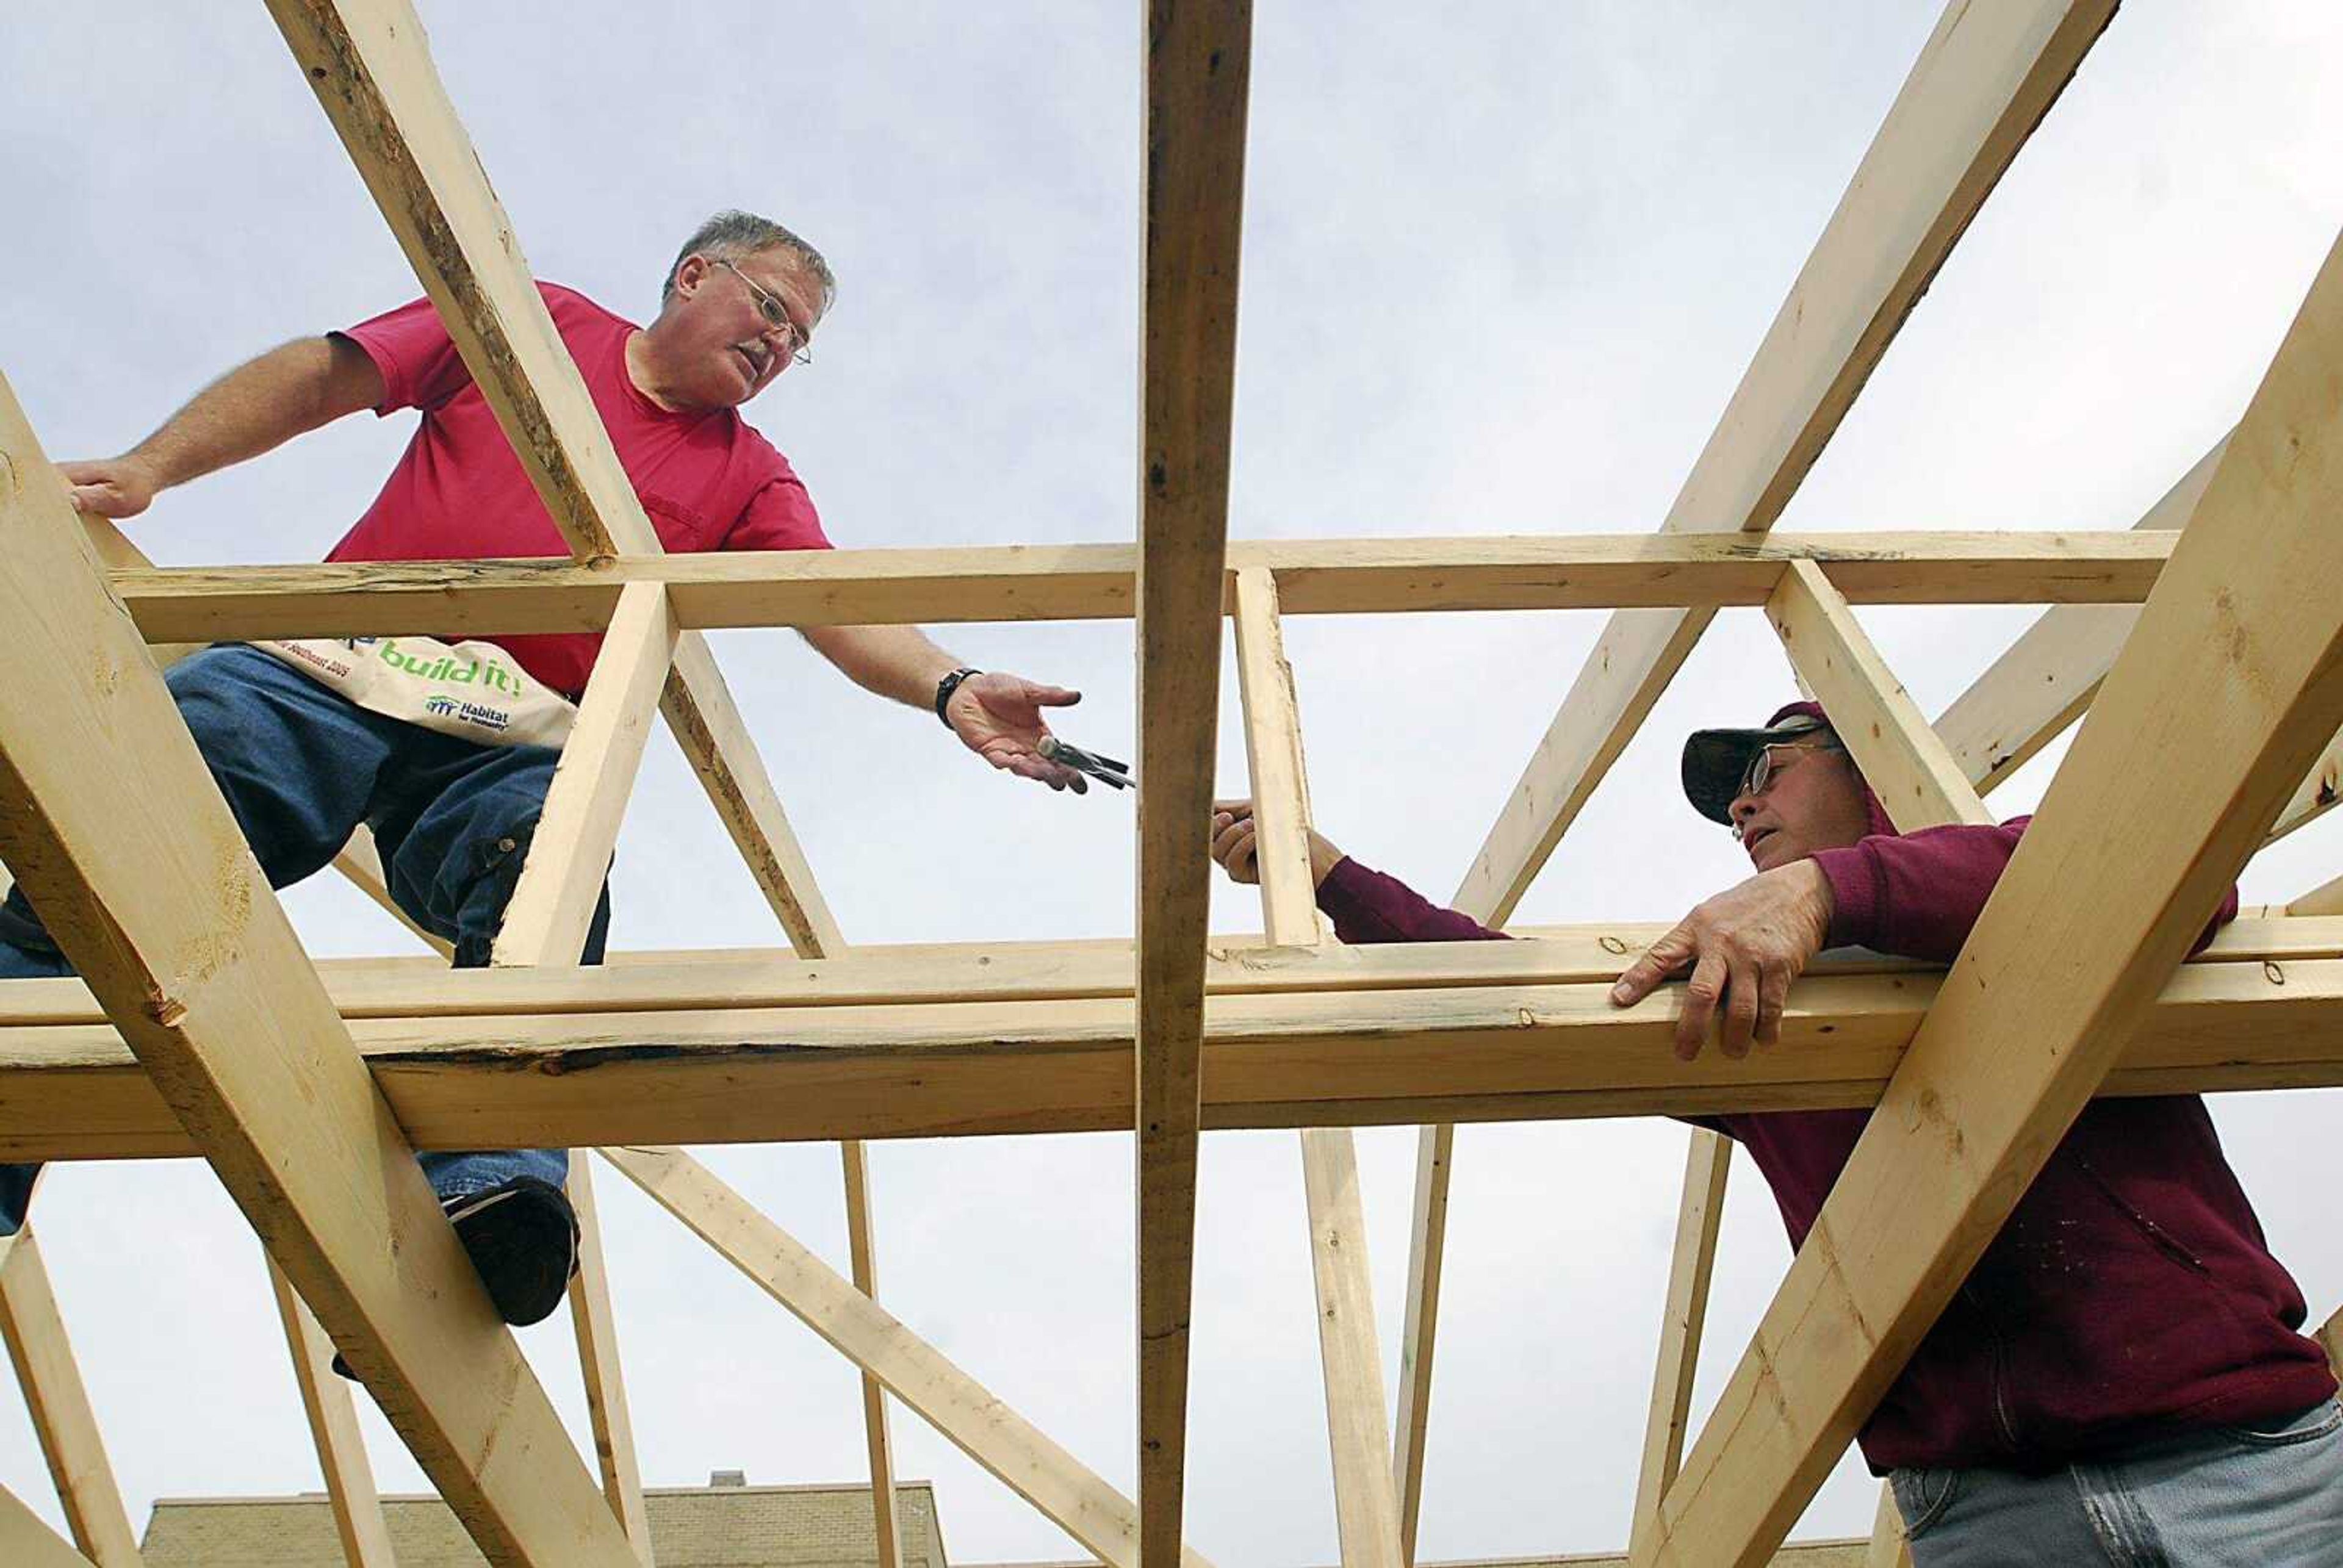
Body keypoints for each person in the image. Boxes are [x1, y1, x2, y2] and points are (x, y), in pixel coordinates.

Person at [0, 210, 1089, 1334]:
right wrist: (152, 467)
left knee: (549, 881)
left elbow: (833, 601)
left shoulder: (749, 475)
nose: (777, 346)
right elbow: (330, 374)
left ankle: (494, 1188)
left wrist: (952, 686)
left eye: (796, 343)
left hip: (506, 733)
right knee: (167, 788)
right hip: (344, 659)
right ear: (692, 275)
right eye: (769, 309)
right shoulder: (538, 330)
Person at [1209, 702, 2343, 1565]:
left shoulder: (2037, 893)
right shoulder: (1746, 1013)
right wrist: (1333, 879)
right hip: (1988, 1510)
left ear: (1871, 775)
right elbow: (1513, 989)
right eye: (1729, 799)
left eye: (1764, 770)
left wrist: (1828, 892)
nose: (1741, 807)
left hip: (2246, 1465)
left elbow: (2189, 877)